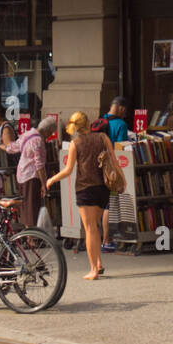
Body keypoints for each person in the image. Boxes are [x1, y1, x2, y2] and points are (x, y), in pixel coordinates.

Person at [47, 111, 114, 281]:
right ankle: (98, 262)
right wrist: (121, 181)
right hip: (103, 188)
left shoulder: (75, 143)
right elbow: (113, 161)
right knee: (95, 227)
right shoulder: (103, 138)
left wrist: (52, 179)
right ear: (89, 122)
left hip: (85, 189)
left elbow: (68, 170)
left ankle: (93, 269)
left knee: (89, 228)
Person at [6, 115, 56, 229]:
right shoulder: (38, 141)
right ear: (47, 131)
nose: (50, 135)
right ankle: (31, 237)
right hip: (31, 176)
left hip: (21, 174)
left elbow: (12, 148)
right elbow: (39, 165)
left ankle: (29, 234)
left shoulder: (28, 134)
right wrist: (44, 184)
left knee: (25, 205)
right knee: (32, 206)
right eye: (51, 132)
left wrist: (2, 145)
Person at [100, 98, 131, 251]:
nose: (125, 113)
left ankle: (103, 238)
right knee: (110, 203)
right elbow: (121, 148)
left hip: (99, 167)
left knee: (104, 202)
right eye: (124, 110)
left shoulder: (100, 120)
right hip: (113, 168)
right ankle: (107, 240)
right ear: (120, 108)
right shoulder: (121, 125)